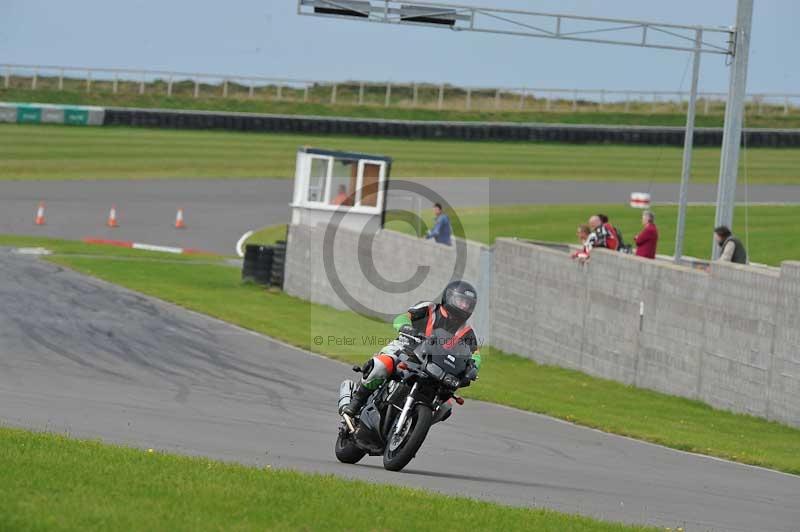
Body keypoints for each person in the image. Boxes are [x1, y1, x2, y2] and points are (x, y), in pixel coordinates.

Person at [341, 280, 482, 417]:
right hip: (408, 348)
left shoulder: (467, 331)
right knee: (382, 364)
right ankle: (355, 403)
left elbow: (475, 353)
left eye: (468, 304)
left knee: (445, 407)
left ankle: (411, 426)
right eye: (461, 301)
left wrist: (473, 366)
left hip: (436, 364)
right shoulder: (429, 308)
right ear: (449, 297)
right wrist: (406, 326)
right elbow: (403, 317)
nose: (464, 306)